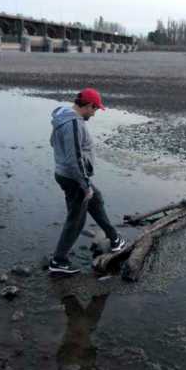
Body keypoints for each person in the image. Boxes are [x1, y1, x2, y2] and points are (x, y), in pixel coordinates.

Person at [49, 88, 126, 276]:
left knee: (96, 199)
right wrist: (84, 184)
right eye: (95, 109)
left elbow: (53, 142)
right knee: (76, 220)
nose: (94, 113)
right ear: (89, 105)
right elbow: (74, 158)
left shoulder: (62, 116)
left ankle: (115, 239)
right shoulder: (73, 123)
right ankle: (58, 261)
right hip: (73, 178)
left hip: (67, 174)